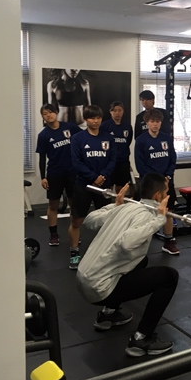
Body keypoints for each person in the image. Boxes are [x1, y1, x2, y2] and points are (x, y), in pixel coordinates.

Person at [76, 175, 179, 357]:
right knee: (169, 277)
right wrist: (159, 220)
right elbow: (126, 243)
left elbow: (89, 220)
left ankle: (108, 314)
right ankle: (141, 339)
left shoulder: (125, 207)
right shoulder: (147, 215)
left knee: (141, 261)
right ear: (158, 196)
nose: (168, 195)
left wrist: (115, 205)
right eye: (166, 192)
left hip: (83, 280)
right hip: (100, 289)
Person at [68, 105, 116, 270]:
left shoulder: (108, 138)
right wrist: (93, 177)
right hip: (84, 184)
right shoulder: (78, 138)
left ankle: (104, 253)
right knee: (77, 220)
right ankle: (74, 253)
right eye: (92, 118)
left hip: (103, 185)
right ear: (86, 119)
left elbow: (112, 160)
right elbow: (76, 162)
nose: (95, 121)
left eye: (98, 118)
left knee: (106, 221)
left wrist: (102, 176)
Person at [134, 108, 179, 255]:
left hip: (166, 181)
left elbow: (172, 158)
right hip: (149, 182)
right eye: (152, 121)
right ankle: (140, 242)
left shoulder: (167, 138)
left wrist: (168, 176)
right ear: (147, 122)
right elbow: (140, 164)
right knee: (145, 212)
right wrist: (155, 180)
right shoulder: (141, 140)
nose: (155, 124)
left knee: (168, 211)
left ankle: (168, 241)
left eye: (158, 121)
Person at [35, 104, 81, 246]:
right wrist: (43, 177)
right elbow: (42, 157)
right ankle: (53, 234)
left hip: (72, 172)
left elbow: (83, 139)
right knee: (53, 204)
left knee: (74, 204)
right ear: (42, 117)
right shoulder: (43, 135)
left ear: (56, 112)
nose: (48, 115)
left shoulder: (70, 127)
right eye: (44, 114)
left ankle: (74, 231)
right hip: (55, 173)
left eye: (50, 112)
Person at [100, 101, 133, 194]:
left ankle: (119, 202)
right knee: (108, 186)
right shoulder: (104, 126)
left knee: (121, 187)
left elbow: (128, 141)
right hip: (109, 161)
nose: (117, 113)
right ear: (110, 112)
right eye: (114, 111)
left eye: (119, 110)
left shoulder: (127, 126)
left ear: (123, 111)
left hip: (123, 161)